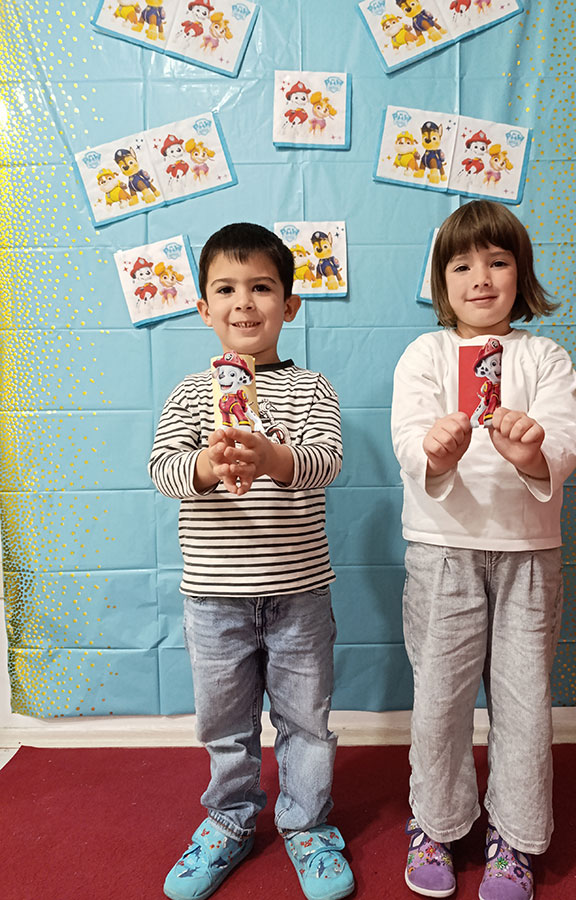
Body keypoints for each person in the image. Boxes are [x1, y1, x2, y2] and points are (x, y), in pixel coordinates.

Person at [149, 223, 354, 900]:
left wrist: (272, 456)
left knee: (306, 721)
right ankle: (229, 821)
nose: (244, 302)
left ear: (289, 305)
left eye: (262, 287)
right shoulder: (189, 394)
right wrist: (209, 466)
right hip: (214, 598)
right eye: (226, 289)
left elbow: (325, 462)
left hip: (299, 593)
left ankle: (307, 824)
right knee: (224, 724)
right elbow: (164, 471)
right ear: (203, 308)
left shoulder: (312, 389)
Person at [391, 200, 576, 900]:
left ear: (520, 274)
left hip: (528, 552)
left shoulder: (544, 356)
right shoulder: (426, 353)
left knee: (524, 700)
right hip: (443, 549)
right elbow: (407, 434)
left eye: (498, 262)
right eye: (462, 266)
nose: (481, 278)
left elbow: (568, 435)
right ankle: (435, 824)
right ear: (441, 283)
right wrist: (434, 451)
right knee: (440, 699)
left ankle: (515, 836)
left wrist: (533, 451)